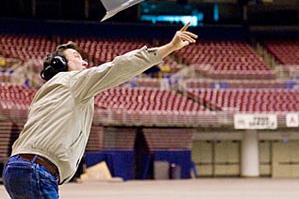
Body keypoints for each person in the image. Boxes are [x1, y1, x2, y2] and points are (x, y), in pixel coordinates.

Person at [3, 23, 197, 199]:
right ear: (59, 65)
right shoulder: (72, 81)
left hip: (18, 168)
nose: (85, 63)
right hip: (38, 169)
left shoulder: (46, 91)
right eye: (77, 58)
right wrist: (169, 48)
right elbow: (118, 67)